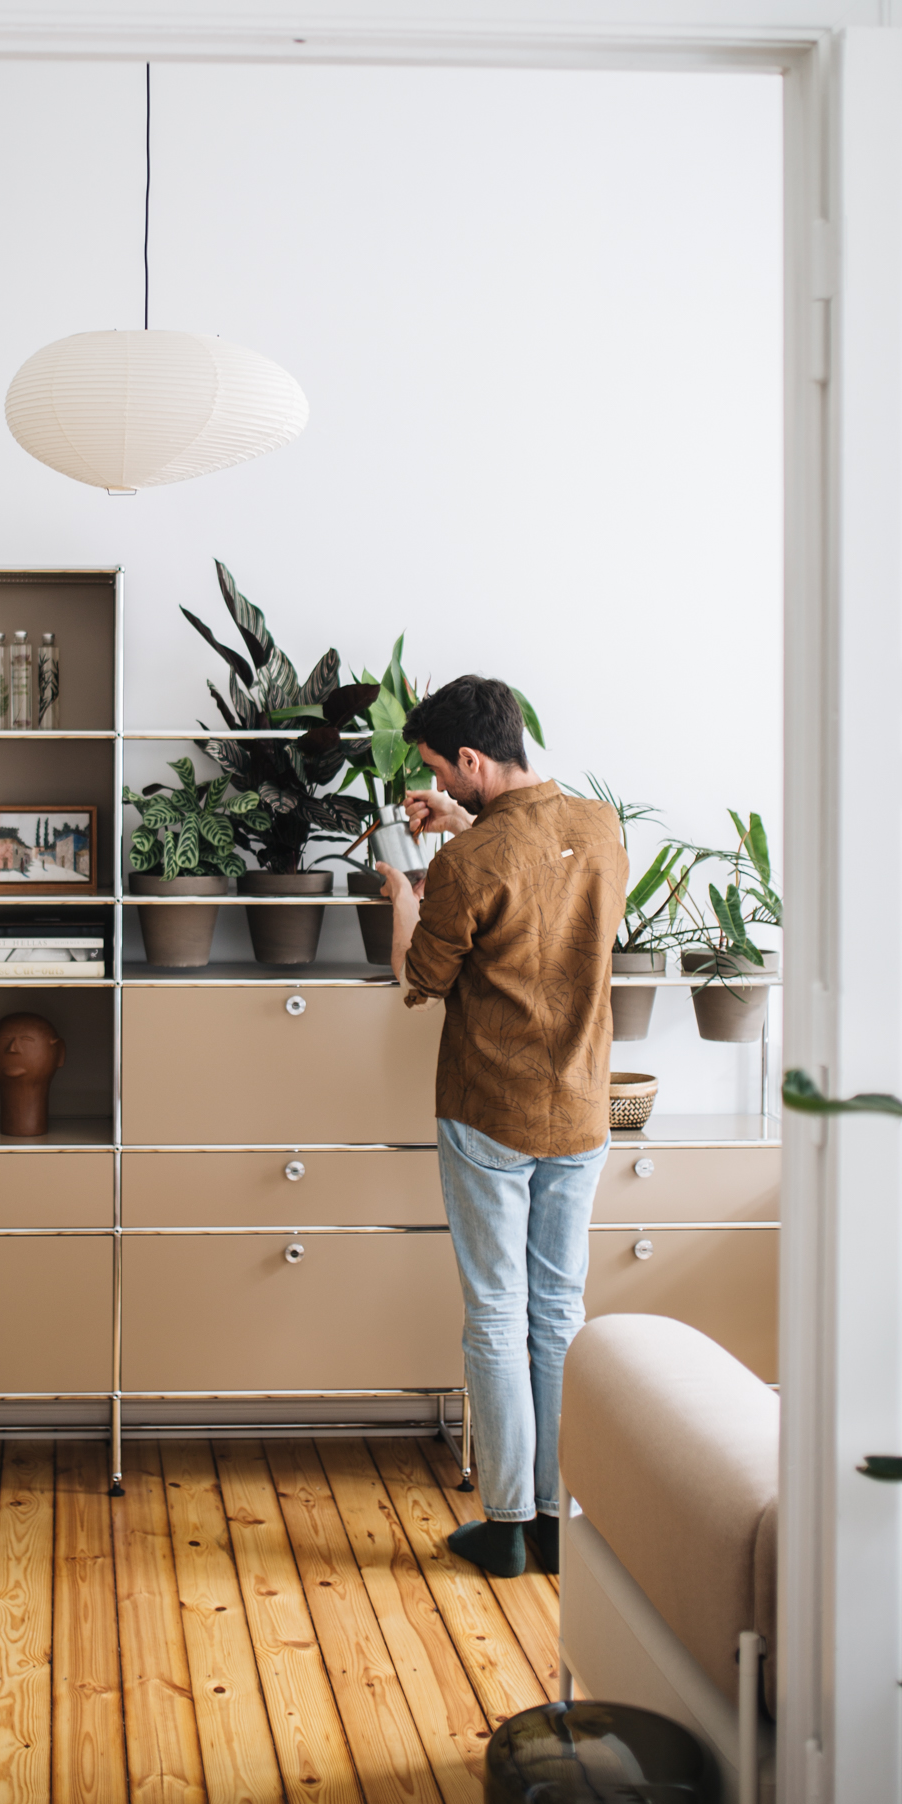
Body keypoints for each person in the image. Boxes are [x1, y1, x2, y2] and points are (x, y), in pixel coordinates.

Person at [375, 674, 625, 1578]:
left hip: (491, 1112)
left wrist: (407, 890)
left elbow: (421, 976)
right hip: (583, 1108)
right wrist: (464, 826)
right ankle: (560, 1522)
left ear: (472, 761)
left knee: (494, 1310)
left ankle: (508, 1524)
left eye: (446, 768)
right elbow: (538, 877)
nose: (442, 780)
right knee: (559, 1312)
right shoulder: (601, 828)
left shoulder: (465, 867)